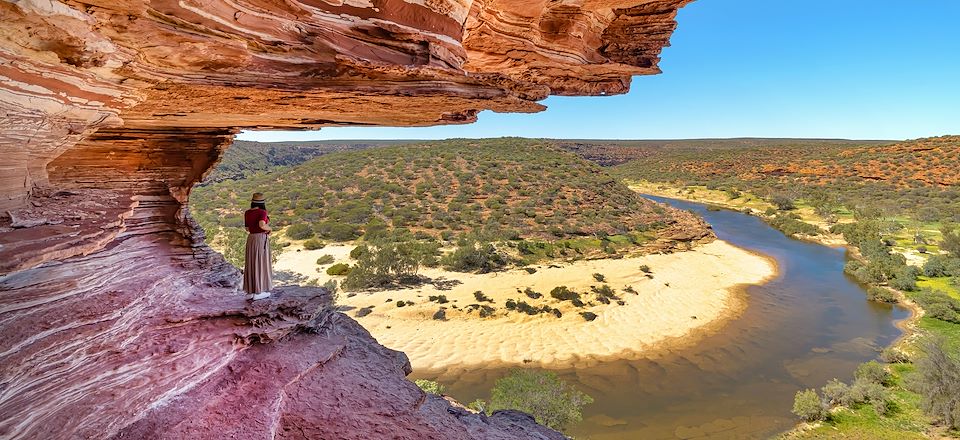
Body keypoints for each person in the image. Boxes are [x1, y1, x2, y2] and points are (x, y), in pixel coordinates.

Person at [243, 192, 273, 300]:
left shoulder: (247, 213)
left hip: (251, 238)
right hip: (260, 238)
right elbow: (262, 225)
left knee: (251, 262)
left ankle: (250, 291)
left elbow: (247, 229)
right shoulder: (262, 212)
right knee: (260, 262)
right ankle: (259, 292)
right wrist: (270, 229)